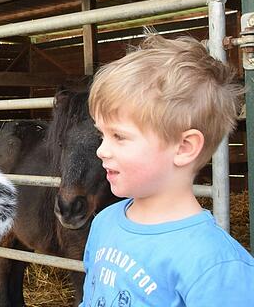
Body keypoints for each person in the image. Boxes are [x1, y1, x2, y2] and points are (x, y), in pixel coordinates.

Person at [82, 34, 254, 306]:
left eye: (119, 136)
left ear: (184, 147)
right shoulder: (105, 222)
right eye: (101, 135)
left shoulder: (216, 267)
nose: (101, 150)